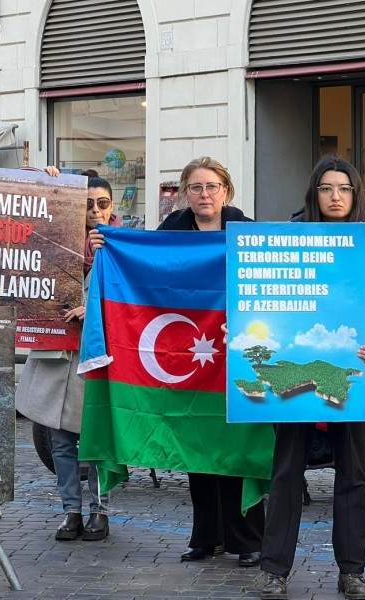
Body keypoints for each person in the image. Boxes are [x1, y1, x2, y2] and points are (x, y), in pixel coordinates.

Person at [91, 156, 265, 566]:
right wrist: (107, 245)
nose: (204, 195)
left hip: (234, 356)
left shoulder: (247, 232)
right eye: (195, 187)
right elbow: (145, 269)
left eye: (212, 187)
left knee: (237, 446)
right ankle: (206, 536)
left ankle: (247, 539)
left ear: (226, 191)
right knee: (196, 444)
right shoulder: (171, 231)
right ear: (185, 192)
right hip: (188, 353)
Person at [259, 156, 365, 600]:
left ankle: (352, 571)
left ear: (356, 194)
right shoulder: (287, 242)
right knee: (286, 472)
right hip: (295, 373)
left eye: (344, 188)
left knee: (353, 475)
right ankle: (274, 571)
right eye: (326, 188)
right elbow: (266, 299)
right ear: (314, 193)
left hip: (354, 375)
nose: (335, 196)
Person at [16, 169, 118, 542]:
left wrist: (94, 310)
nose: (95, 211)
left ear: (112, 206)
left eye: (102, 204)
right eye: (87, 204)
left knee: (99, 439)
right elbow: (12, 205)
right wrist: (46, 182)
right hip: (57, 353)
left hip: (98, 357)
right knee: (60, 441)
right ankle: (70, 511)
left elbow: (134, 300)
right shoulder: (54, 239)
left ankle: (100, 511)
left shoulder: (122, 246)